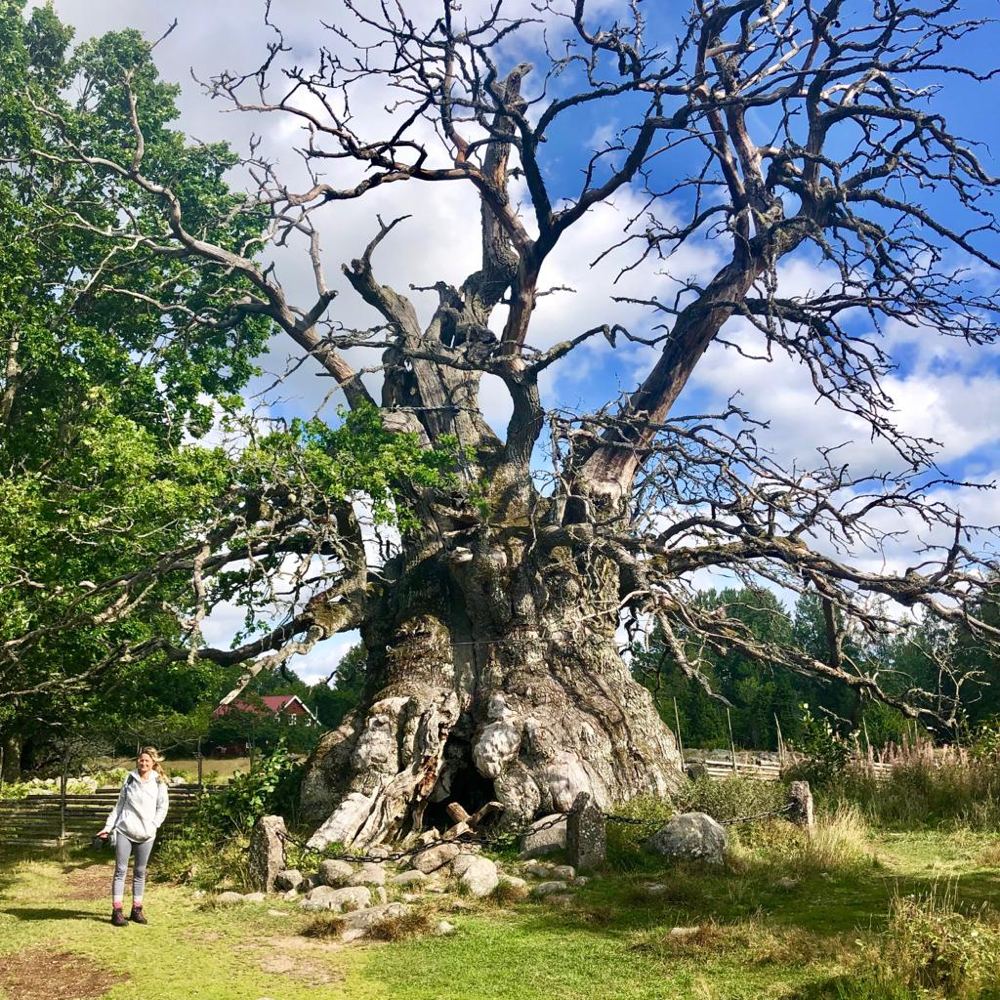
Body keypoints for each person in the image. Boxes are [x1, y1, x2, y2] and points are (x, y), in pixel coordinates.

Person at [97, 746, 169, 926]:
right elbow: (119, 806)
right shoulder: (129, 779)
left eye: (147, 761)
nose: (143, 763)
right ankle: (117, 911)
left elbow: (162, 808)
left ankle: (137, 909)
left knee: (139, 872)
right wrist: (108, 827)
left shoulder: (159, 782)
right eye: (141, 760)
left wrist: (154, 825)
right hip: (125, 830)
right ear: (138, 761)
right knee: (120, 871)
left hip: (146, 834)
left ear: (153, 762)